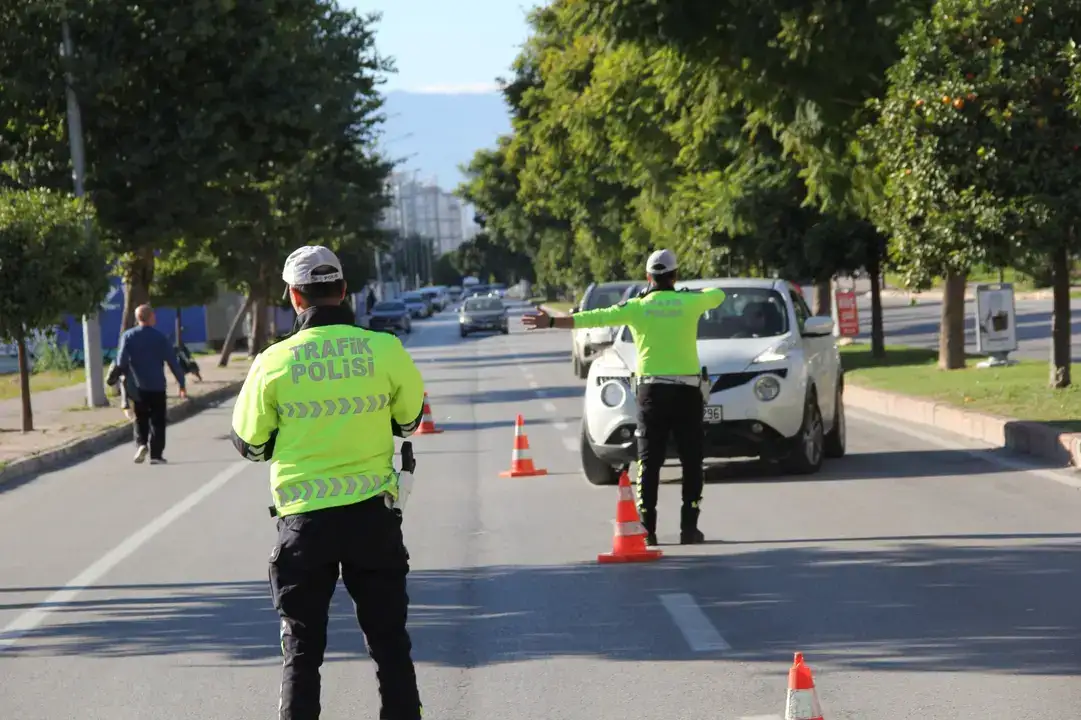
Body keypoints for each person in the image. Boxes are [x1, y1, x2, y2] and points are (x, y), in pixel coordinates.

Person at [230, 244, 427, 720]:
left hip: (303, 526)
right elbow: (410, 420)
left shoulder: (272, 362)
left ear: (294, 297)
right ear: (342, 291)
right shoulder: (384, 349)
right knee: (390, 645)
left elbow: (249, 443)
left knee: (302, 650)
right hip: (373, 521)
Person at [522, 249, 725, 545]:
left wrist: (551, 323)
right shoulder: (690, 303)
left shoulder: (636, 307)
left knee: (649, 460)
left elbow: (592, 318)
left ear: (648, 278)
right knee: (692, 460)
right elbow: (717, 294)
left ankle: (648, 529)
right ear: (675, 275)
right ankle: (689, 528)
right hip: (687, 392)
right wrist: (686, 294)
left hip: (651, 391)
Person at [114, 304, 188, 464]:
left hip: (137, 386)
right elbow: (173, 363)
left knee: (140, 418)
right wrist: (181, 383)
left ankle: (141, 444)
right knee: (158, 420)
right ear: (151, 317)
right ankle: (156, 455)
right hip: (157, 386)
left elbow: (121, 361)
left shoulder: (128, 336)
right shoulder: (160, 338)